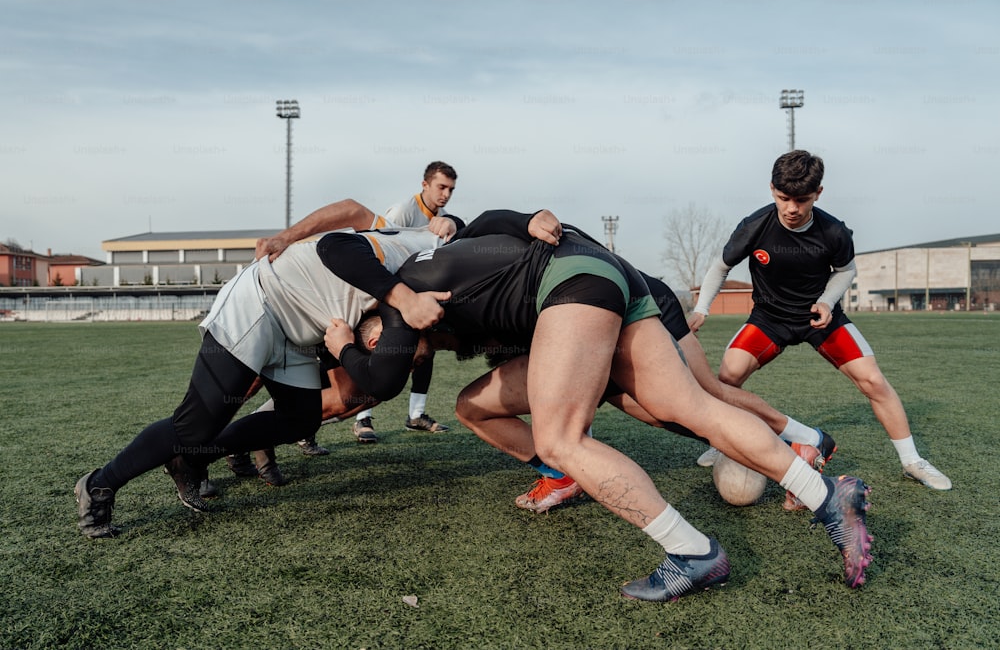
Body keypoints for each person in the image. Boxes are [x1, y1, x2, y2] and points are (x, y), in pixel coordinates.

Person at [321, 209, 874, 598]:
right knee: (689, 407)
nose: (386, 347)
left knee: (562, 438)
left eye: (377, 338)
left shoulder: (399, 299)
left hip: (573, 284)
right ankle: (826, 497)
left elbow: (373, 355)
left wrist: (343, 342)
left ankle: (692, 553)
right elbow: (489, 229)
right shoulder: (445, 283)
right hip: (604, 277)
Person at [74, 199, 454, 539]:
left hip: (298, 331)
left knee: (300, 419)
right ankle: (100, 483)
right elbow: (352, 210)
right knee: (195, 424)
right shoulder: (417, 246)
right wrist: (285, 236)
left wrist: (451, 221)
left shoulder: (432, 248)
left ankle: (192, 458)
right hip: (261, 302)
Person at [456, 270, 836, 514]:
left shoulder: (503, 285)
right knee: (661, 413)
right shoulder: (503, 297)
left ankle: (805, 441)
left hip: (642, 301)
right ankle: (792, 450)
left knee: (704, 394)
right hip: (604, 320)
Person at [688, 150, 951, 491]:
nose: (792, 208)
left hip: (820, 318)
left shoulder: (833, 231)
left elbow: (846, 270)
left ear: (818, 194)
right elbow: (721, 267)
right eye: (784, 198)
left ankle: (912, 461)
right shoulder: (754, 226)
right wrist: (702, 308)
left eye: (802, 199)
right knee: (726, 378)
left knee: (873, 380)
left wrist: (827, 302)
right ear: (772, 190)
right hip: (769, 318)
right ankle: (721, 442)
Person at [351, 161, 460, 444]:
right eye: (441, 187)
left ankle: (416, 415)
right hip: (386, 296)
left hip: (416, 296)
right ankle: (362, 419)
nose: (445, 194)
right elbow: (378, 249)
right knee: (380, 354)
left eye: (450, 189)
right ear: (425, 185)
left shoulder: (444, 218)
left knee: (426, 350)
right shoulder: (402, 212)